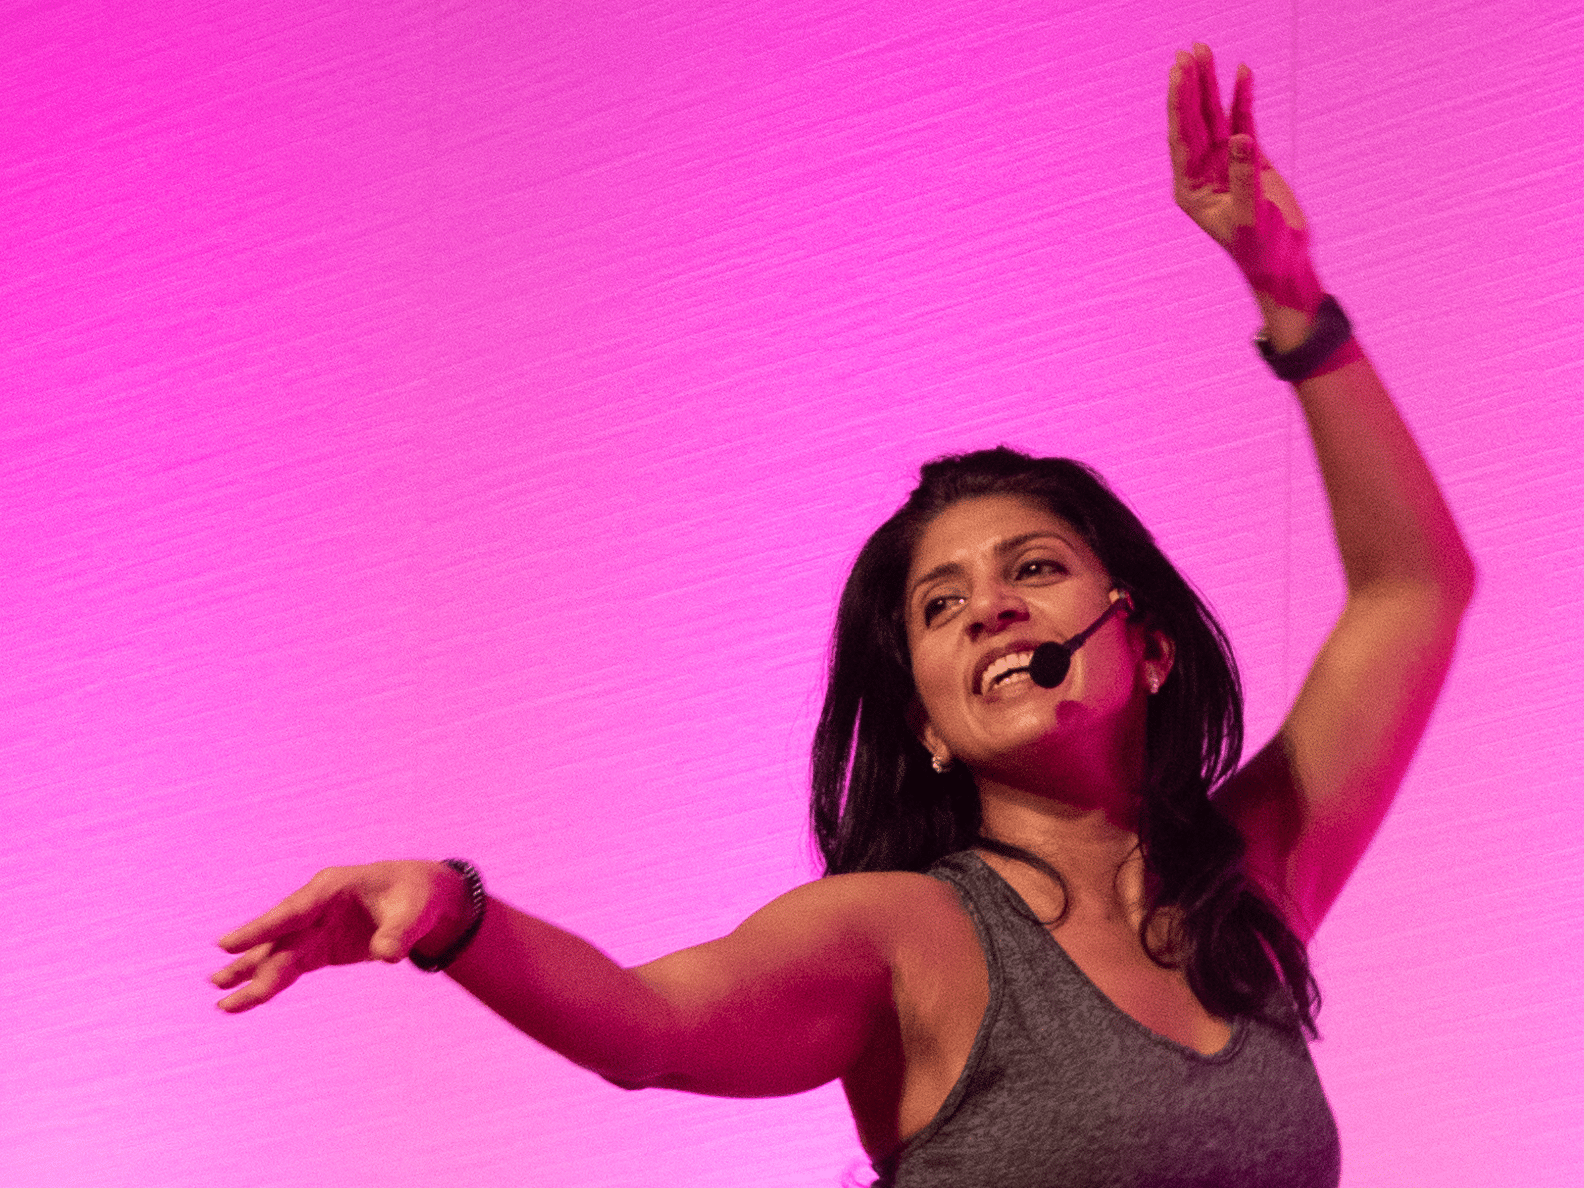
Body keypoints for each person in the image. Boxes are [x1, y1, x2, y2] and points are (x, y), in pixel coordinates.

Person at [211, 45, 1474, 1186]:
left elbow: (1417, 586)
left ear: (1144, 647)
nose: (989, 609)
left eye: (1031, 569)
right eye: (942, 606)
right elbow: (651, 1029)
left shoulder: (1252, 885)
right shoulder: (904, 931)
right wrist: (455, 915)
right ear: (925, 725)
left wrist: (1292, 299)